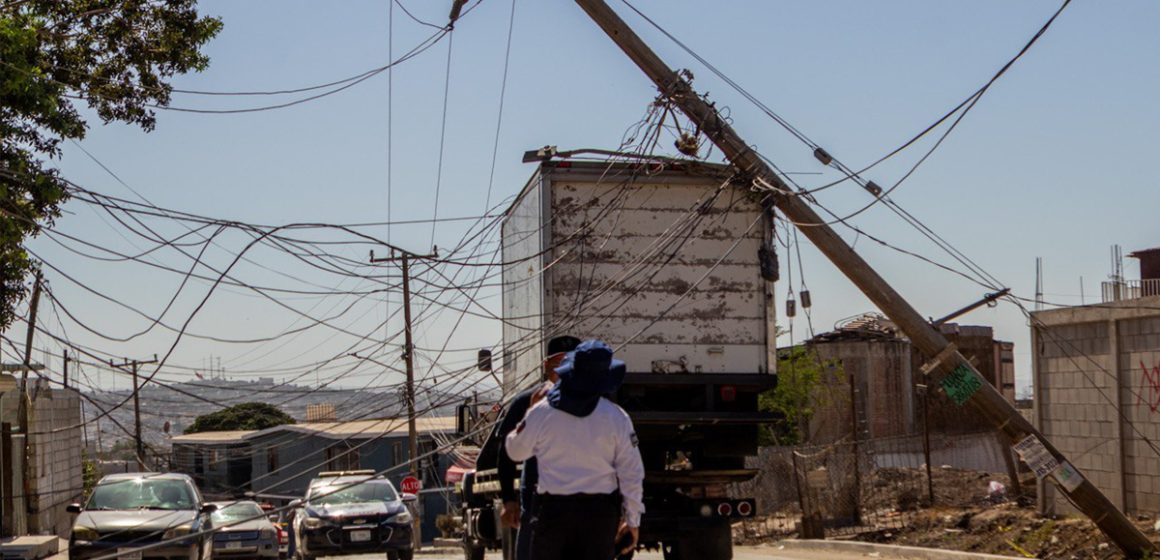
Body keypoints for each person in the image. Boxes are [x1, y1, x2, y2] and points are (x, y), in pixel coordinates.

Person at [505, 340, 645, 560]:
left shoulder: (542, 412)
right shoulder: (617, 417)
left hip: (554, 514)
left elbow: (515, 451)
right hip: (599, 517)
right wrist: (632, 520)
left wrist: (528, 414)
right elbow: (631, 473)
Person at [496, 335, 581, 560]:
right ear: (546, 366)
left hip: (583, 504)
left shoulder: (597, 404)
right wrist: (508, 499)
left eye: (570, 363)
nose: (563, 370)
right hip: (538, 503)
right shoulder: (526, 402)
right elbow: (505, 453)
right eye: (558, 363)